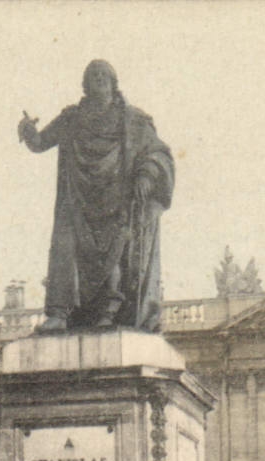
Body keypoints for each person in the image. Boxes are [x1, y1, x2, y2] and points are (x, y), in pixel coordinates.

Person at [18, 61, 174, 332]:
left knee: (115, 255)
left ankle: (109, 312)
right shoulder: (71, 118)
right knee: (65, 247)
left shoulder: (133, 119)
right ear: (85, 85)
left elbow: (157, 153)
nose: (99, 78)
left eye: (104, 75)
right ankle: (59, 313)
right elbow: (41, 142)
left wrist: (147, 175)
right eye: (93, 75)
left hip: (118, 201)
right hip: (77, 201)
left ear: (114, 83)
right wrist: (29, 132)